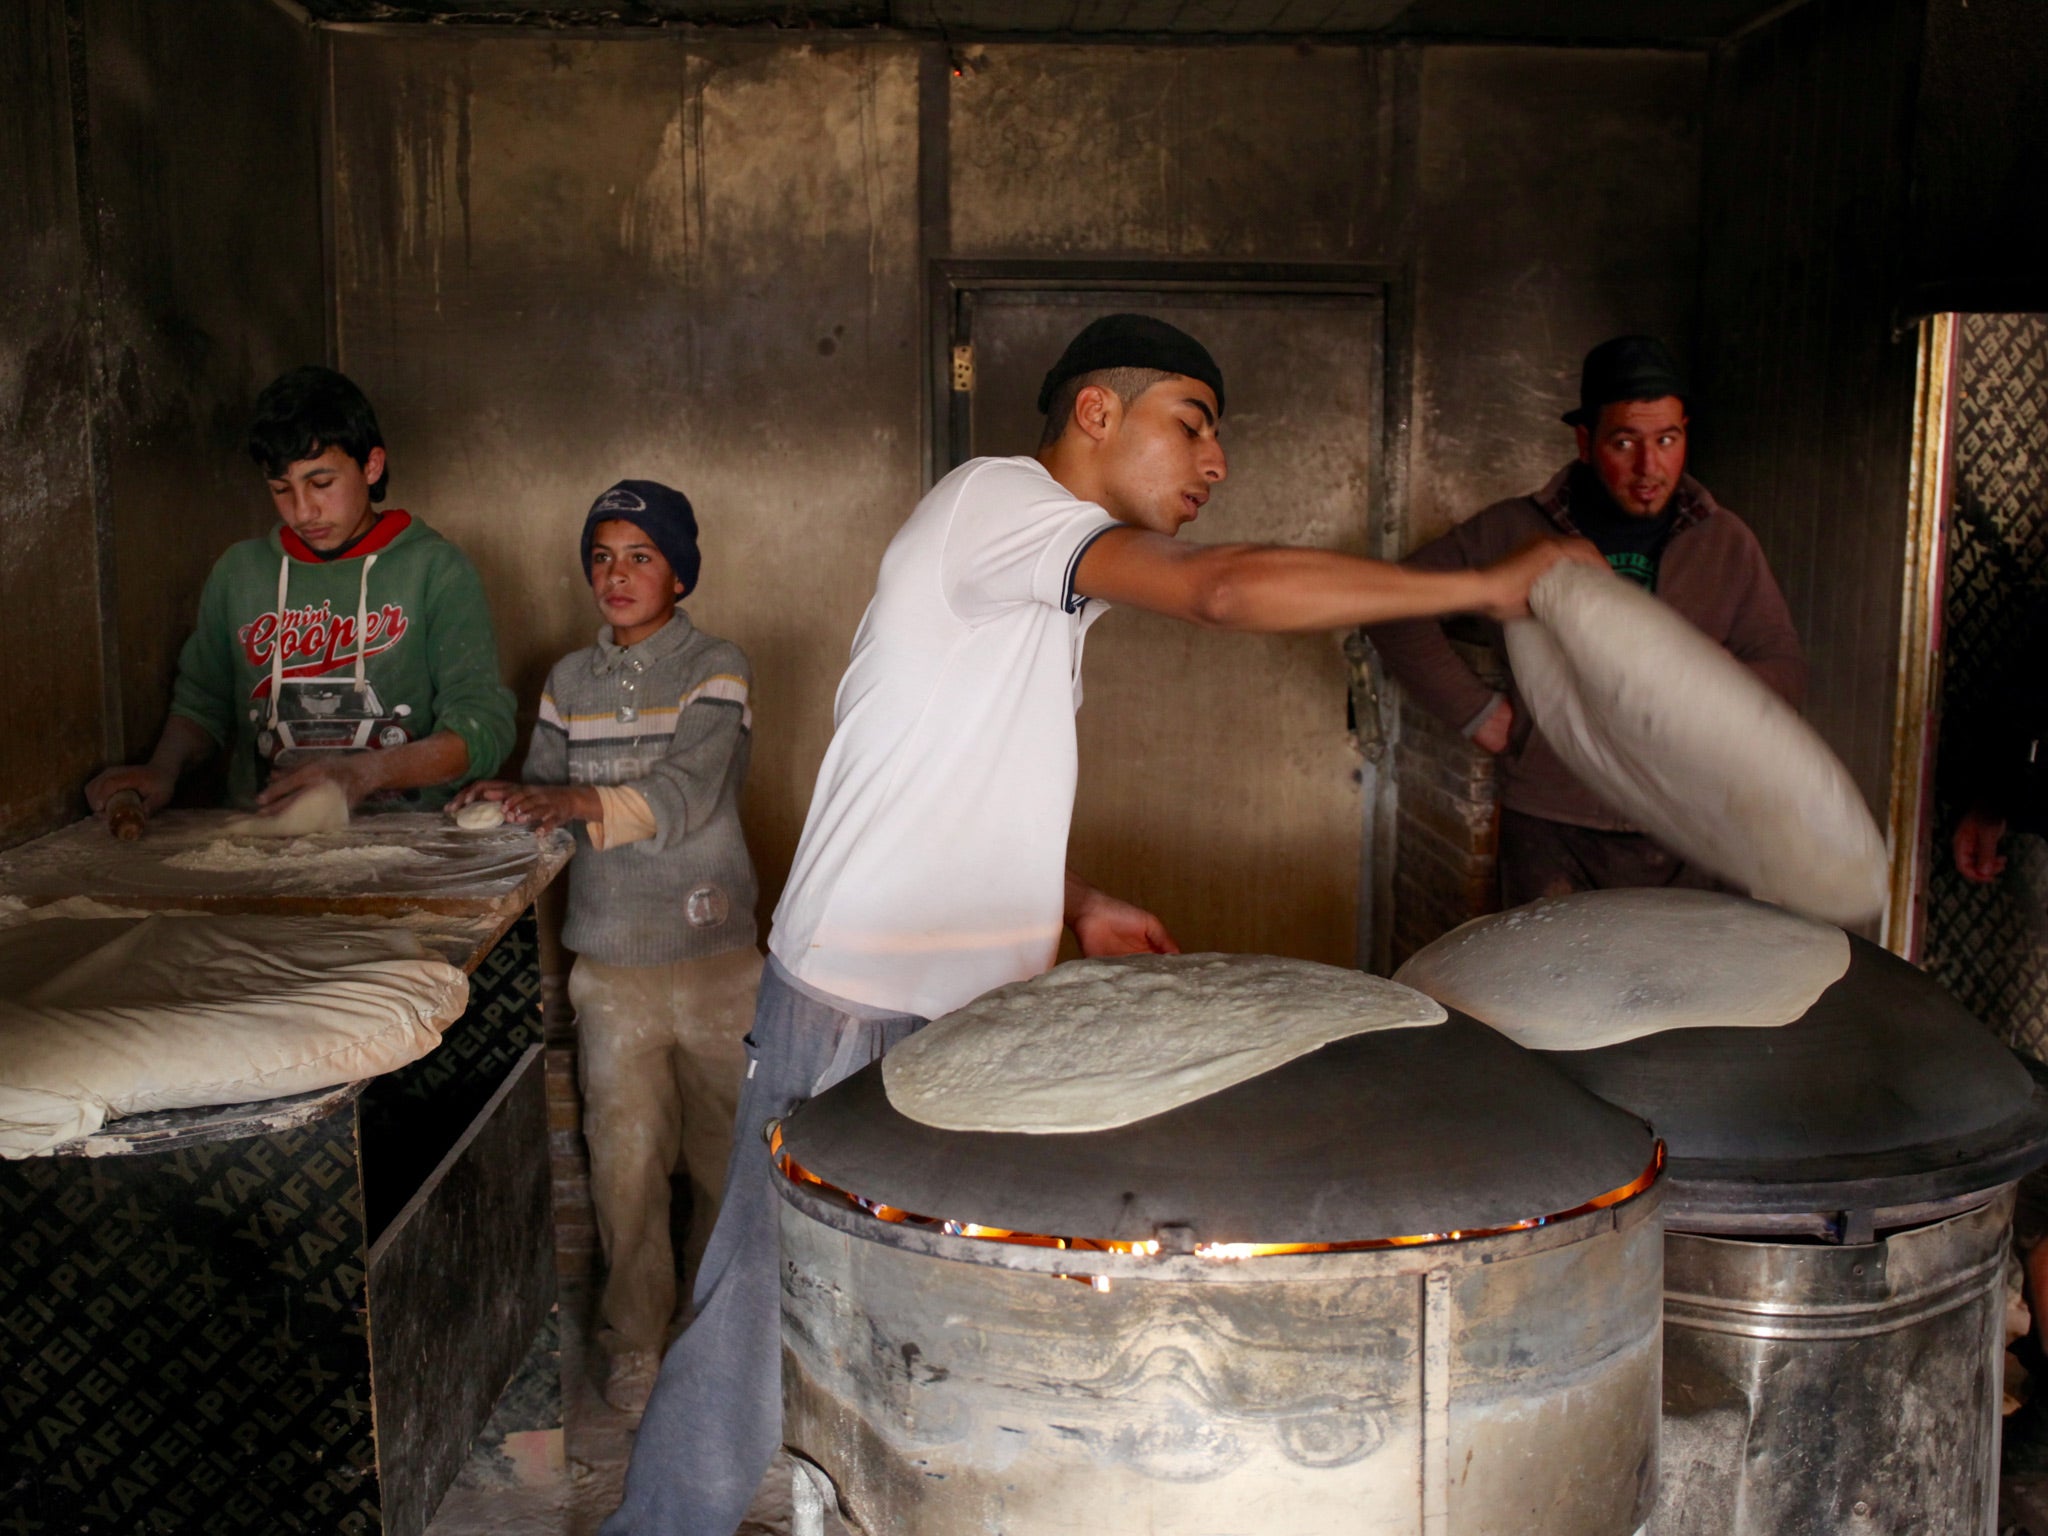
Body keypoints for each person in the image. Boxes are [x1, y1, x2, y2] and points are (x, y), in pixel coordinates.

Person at [602, 313, 1600, 1536]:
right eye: (1192, 424)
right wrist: (1486, 587)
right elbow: (1223, 590)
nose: (1213, 462)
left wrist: (1068, 900)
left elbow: (954, 768)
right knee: (763, 1306)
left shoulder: (1043, 580)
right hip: (858, 1000)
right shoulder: (992, 503)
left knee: (942, 1307)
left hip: (958, 1006)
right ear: (1094, 413)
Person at [454, 480, 760, 1414]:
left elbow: (686, 794)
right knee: (624, 1164)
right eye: (601, 557)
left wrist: (572, 803)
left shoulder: (716, 667)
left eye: (639, 556)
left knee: (725, 1161)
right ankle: (634, 1345)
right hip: (611, 972)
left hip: (715, 965)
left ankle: (721, 1345)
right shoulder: (569, 683)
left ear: (678, 570)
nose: (616, 576)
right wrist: (496, 805)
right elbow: (544, 804)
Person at [1367, 335, 1806, 907]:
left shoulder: (1725, 541)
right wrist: (1481, 715)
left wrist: (1724, 681)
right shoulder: (1515, 531)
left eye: (1667, 440)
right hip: (1555, 824)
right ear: (1584, 441)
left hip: (1699, 825)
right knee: (1546, 992)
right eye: (1624, 442)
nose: (1650, 467)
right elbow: (1391, 607)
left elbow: (1786, 668)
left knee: (1697, 993)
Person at [84, 366, 514, 821]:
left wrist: (364, 774)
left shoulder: (435, 570)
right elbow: (201, 705)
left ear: (371, 465)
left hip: (407, 845)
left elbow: (481, 728)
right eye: (280, 489)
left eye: (321, 483)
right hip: (264, 845)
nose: (303, 510)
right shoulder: (240, 573)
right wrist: (162, 768)